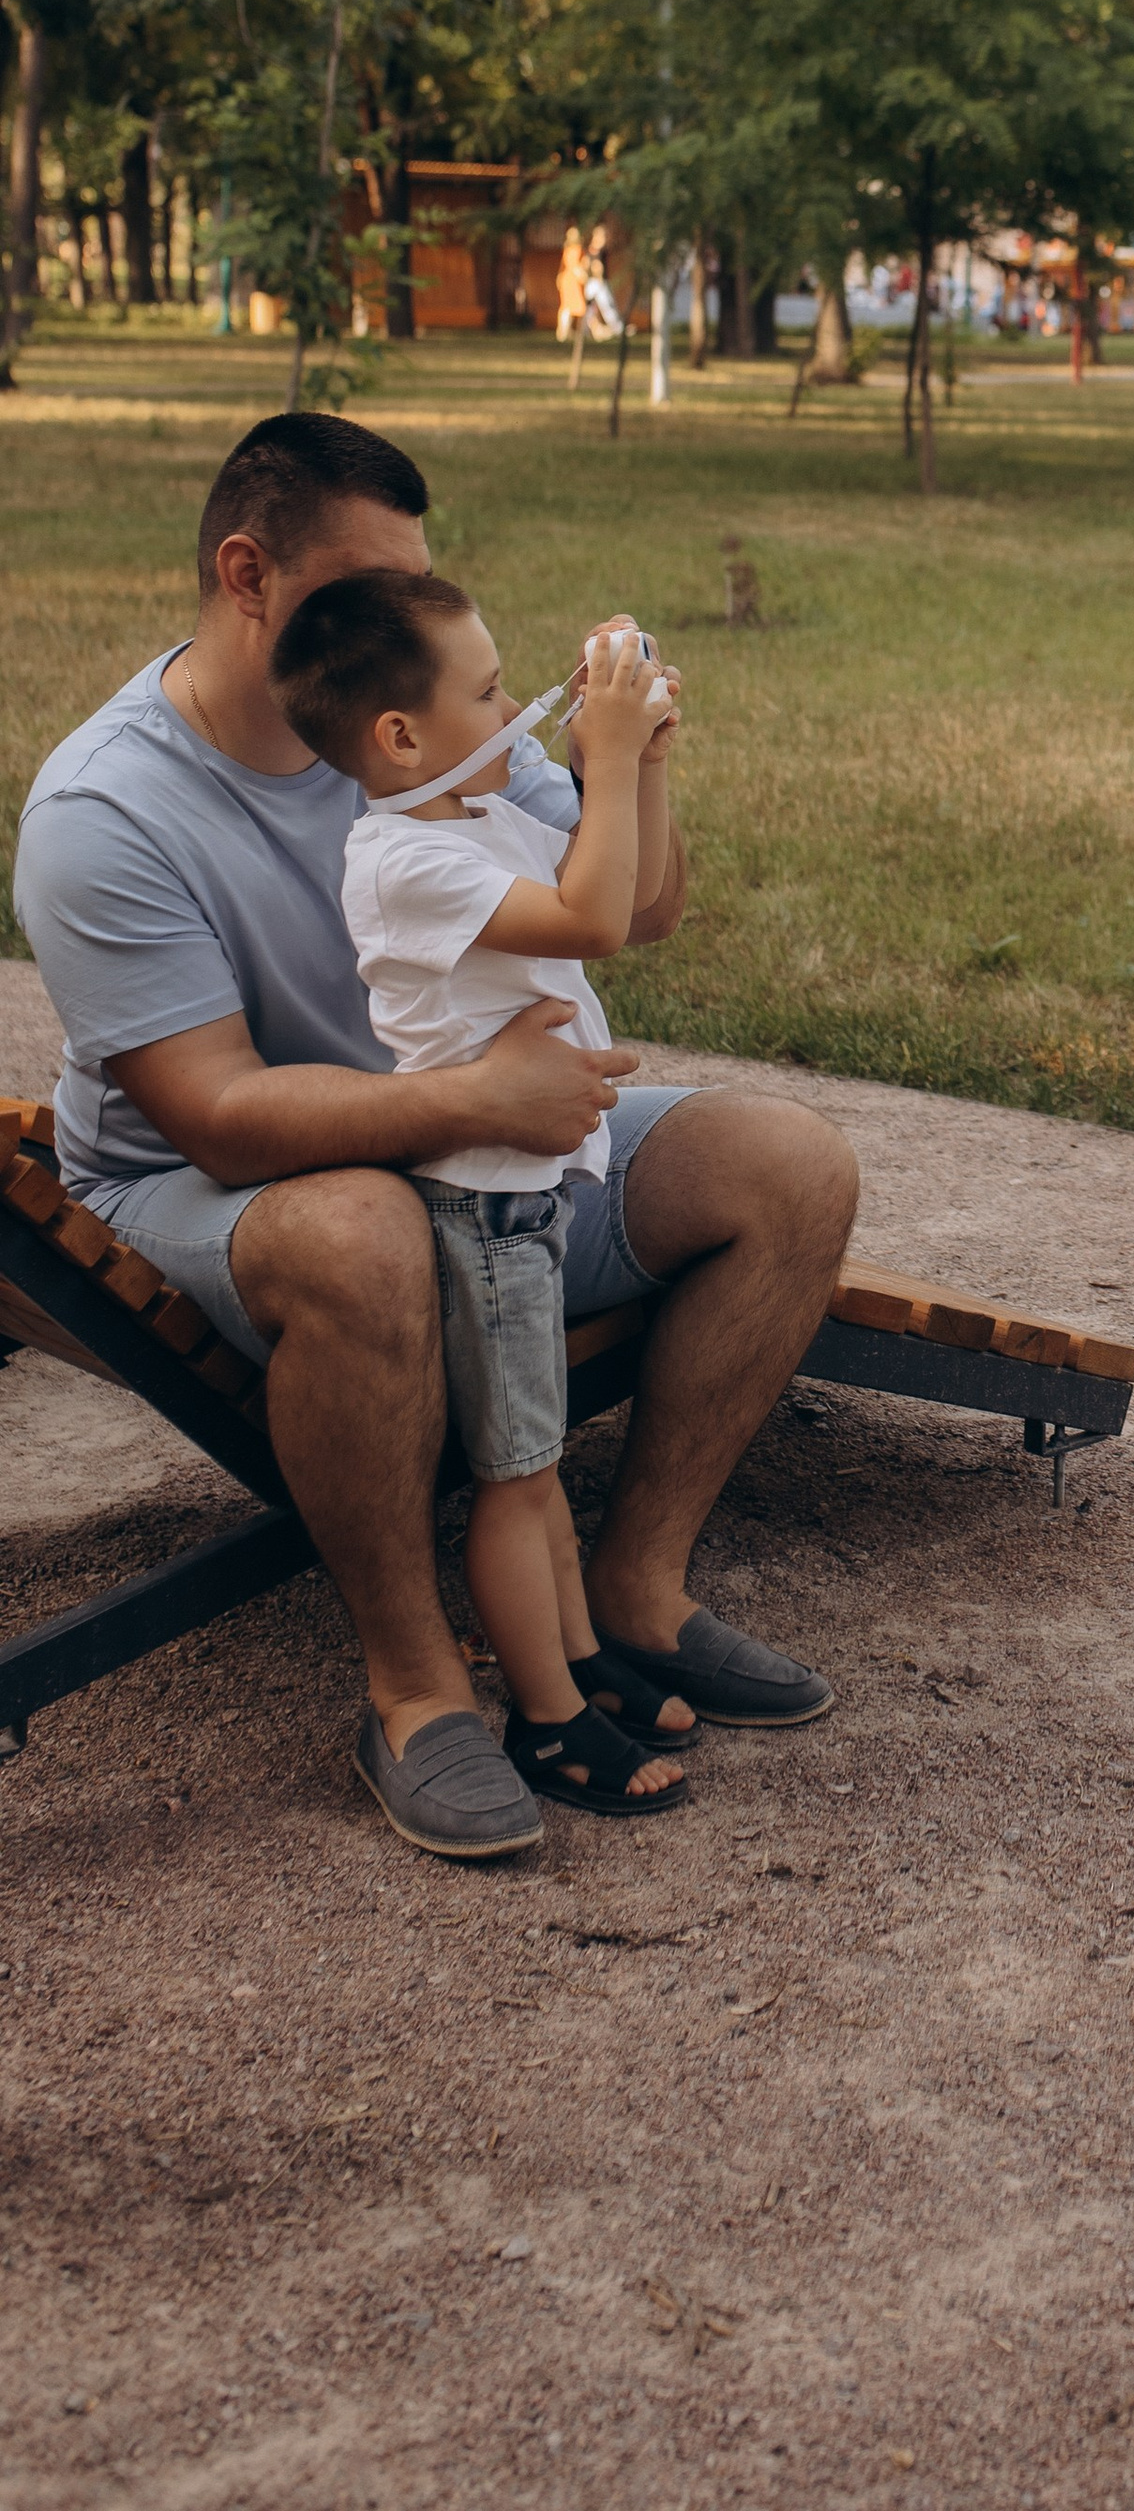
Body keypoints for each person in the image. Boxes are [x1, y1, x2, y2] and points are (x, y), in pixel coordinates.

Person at [13, 412, 857, 1862]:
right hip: (203, 1183)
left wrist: (636, 759)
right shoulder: (109, 810)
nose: (403, 616)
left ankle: (639, 1588)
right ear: (247, 575)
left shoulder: (423, 725)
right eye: (368, 585)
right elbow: (210, 1108)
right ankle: (413, 1688)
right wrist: (473, 1102)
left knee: (790, 1168)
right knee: (360, 1229)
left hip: (475, 1151)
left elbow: (634, 912)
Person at [273, 579, 689, 1828]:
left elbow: (638, 892)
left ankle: (580, 1665)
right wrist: (600, 763)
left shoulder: (475, 811)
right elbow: (591, 919)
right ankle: (550, 1723)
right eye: (491, 690)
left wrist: (642, 766)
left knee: (539, 1462)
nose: (517, 709)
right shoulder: (403, 858)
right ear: (399, 736)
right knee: (514, 1479)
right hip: (480, 1212)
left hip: (528, 1201)